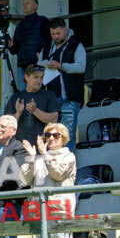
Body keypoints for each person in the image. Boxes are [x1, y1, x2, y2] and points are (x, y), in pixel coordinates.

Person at [20, 123, 77, 238]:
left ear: (64, 138)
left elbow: (58, 174)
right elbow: (25, 179)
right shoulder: (40, 157)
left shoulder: (69, 156)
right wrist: (31, 157)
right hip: (40, 209)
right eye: (48, 135)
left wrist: (44, 155)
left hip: (59, 208)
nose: (51, 138)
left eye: (56, 135)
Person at [38, 18, 85, 153]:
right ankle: (54, 168)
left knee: (67, 135)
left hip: (70, 97)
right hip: (50, 97)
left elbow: (81, 67)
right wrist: (43, 64)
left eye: (58, 33)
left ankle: (67, 169)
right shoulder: (47, 47)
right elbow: (39, 64)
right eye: (53, 34)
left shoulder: (76, 45)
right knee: (51, 136)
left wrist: (61, 66)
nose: (56, 37)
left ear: (66, 30)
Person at [4, 64, 59, 145]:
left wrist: (35, 111)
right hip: (19, 147)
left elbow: (54, 119)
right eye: (36, 77)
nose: (39, 81)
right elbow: (6, 125)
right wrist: (18, 113)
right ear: (26, 77)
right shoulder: (16, 97)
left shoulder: (49, 95)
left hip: (43, 147)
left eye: (41, 77)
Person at [9, 0, 51, 80]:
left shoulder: (43, 20)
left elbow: (49, 41)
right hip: (21, 65)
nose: (24, 5)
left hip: (36, 63)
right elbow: (14, 50)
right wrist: (10, 46)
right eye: (23, 3)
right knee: (24, 92)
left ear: (36, 6)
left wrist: (43, 55)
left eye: (27, 3)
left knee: (36, 91)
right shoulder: (20, 25)